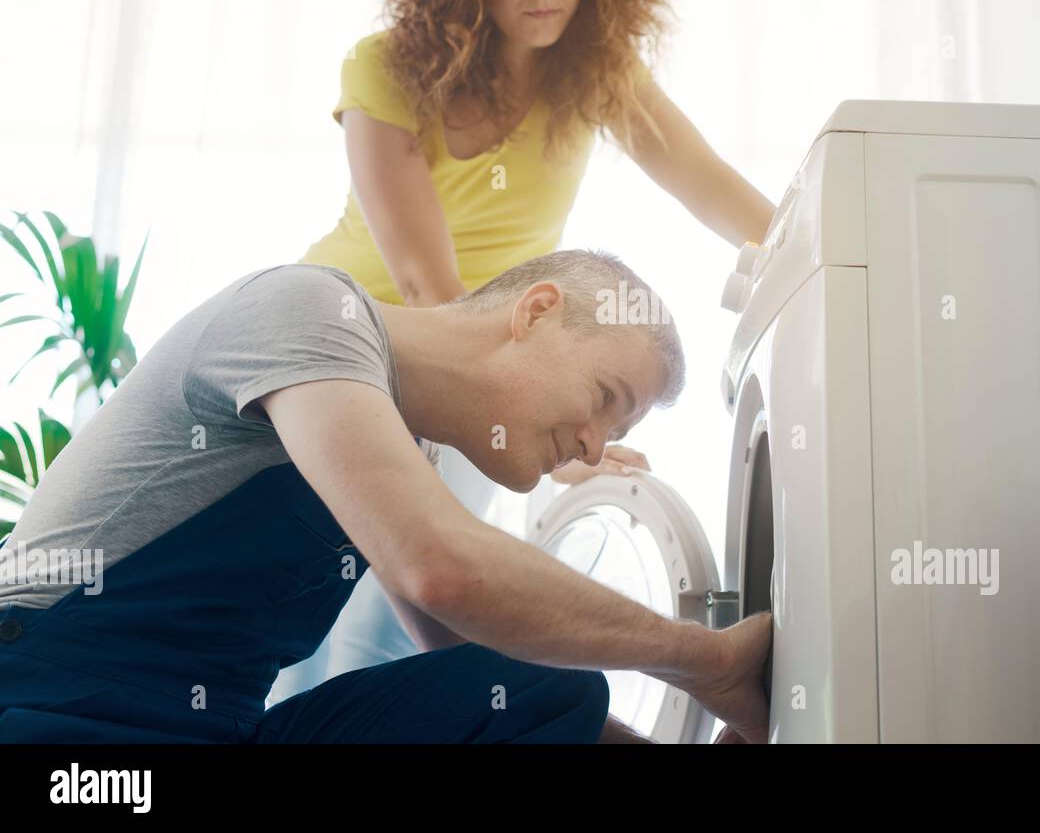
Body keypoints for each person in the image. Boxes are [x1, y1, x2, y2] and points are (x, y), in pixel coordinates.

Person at [276, 0, 775, 700]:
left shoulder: (597, 76)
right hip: (351, 352)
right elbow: (425, 283)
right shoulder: (383, 72)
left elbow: (708, 184)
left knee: (400, 640)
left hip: (492, 371)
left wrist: (818, 250)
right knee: (321, 620)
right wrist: (544, 428)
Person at [0, 252, 772, 743]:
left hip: (212, 729)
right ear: (536, 311)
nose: (596, 448)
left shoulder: (406, 444)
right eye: (605, 396)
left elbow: (481, 668)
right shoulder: (308, 312)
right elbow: (440, 568)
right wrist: (704, 660)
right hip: (53, 712)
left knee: (533, 694)